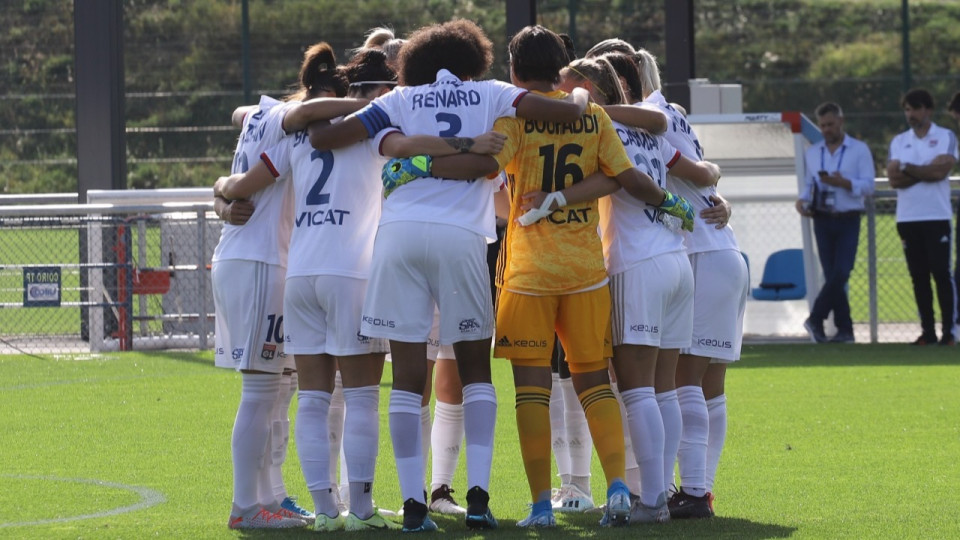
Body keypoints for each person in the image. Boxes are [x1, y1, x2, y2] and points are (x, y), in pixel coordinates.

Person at [387, 26, 695, 528]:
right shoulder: (592, 114)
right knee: (594, 384)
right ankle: (619, 487)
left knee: (532, 392)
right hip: (585, 270)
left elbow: (481, 167)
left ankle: (540, 508)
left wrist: (417, 164)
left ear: (513, 71)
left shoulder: (515, 118)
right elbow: (622, 176)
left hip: (528, 273)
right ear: (559, 69)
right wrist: (673, 203)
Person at [306, 19, 596, 533]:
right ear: (475, 59)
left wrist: (343, 110)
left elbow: (326, 137)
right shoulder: (491, 92)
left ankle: (414, 505)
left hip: (398, 236)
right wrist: (577, 95)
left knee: (407, 378)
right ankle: (478, 499)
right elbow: (564, 112)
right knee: (474, 371)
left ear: (412, 62)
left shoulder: (399, 99)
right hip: (460, 237)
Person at [213, 42, 351, 531]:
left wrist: (221, 194)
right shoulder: (292, 121)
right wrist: (382, 106)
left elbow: (238, 116)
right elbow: (299, 122)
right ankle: (245, 508)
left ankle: (270, 497)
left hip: (260, 261)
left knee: (277, 389)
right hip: (259, 263)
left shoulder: (261, 115)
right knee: (260, 390)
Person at [795, 102, 876, 344]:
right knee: (832, 275)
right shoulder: (813, 152)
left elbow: (869, 185)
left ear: (841, 121)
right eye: (822, 125)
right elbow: (810, 184)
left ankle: (816, 318)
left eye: (830, 124)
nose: (826, 129)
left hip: (848, 217)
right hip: (821, 218)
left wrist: (846, 183)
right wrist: (802, 200)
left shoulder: (859, 150)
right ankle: (845, 330)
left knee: (842, 271)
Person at [886, 88, 959, 346]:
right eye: (907, 109)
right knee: (918, 277)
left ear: (928, 110)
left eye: (915, 108)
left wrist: (907, 168)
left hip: (936, 215)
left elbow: (940, 172)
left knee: (941, 273)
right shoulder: (899, 141)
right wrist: (924, 171)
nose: (911, 114)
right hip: (908, 218)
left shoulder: (945, 136)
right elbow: (894, 179)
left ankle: (949, 332)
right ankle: (927, 332)